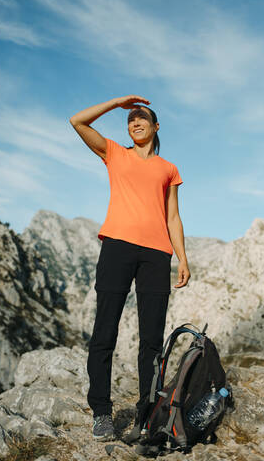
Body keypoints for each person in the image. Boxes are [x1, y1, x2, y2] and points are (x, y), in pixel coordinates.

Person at [69, 95, 190, 442]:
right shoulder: (114, 153)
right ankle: (102, 414)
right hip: (117, 248)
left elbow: (173, 216)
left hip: (156, 254)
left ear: (155, 126)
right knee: (104, 332)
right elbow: (77, 121)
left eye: (142, 118)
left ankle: (146, 415)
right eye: (130, 119)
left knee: (151, 341)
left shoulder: (168, 168)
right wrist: (119, 102)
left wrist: (182, 257)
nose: (135, 122)